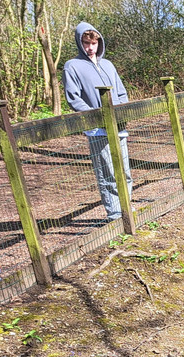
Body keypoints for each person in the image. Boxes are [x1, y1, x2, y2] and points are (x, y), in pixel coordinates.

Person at [63, 22, 132, 221]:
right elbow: (73, 98)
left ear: (99, 42)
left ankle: (127, 210)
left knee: (125, 172)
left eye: (94, 43)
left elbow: (121, 93)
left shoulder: (108, 65)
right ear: (80, 43)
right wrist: (95, 117)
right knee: (107, 173)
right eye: (86, 43)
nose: (90, 47)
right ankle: (115, 215)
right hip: (97, 130)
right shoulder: (72, 66)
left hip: (119, 126)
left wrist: (122, 114)